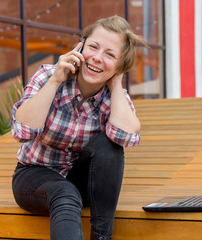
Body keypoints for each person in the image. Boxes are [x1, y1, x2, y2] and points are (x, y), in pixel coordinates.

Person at [11, 15, 147, 240]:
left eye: (110, 54)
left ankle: (102, 237)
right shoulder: (49, 75)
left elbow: (125, 138)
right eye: (93, 47)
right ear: (80, 47)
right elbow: (22, 132)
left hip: (81, 180)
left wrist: (115, 85)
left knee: (109, 145)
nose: (97, 58)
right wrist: (55, 81)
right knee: (65, 193)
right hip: (34, 177)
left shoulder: (115, 98)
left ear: (120, 66)